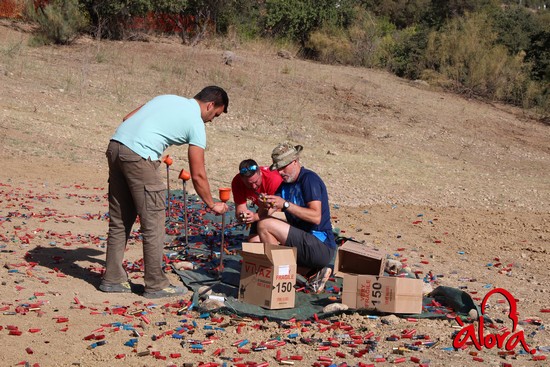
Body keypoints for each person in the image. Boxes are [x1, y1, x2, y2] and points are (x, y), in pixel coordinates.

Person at [101, 86, 229, 299]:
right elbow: (198, 174)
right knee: (153, 223)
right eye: (214, 115)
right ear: (210, 105)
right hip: (139, 157)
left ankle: (112, 278)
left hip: (116, 147)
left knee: (120, 220)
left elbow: (127, 118)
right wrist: (211, 203)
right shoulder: (196, 123)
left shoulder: (166, 98)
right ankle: (156, 284)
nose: (211, 120)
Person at [257, 142, 336, 293]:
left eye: (283, 167)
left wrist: (285, 205)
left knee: (265, 226)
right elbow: (265, 215)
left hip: (320, 244)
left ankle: (282, 277)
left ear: (295, 162)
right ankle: (311, 273)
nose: (280, 173)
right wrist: (263, 204)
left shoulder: (309, 180)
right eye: (278, 169)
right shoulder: (284, 186)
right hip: (306, 243)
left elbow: (315, 217)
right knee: (256, 238)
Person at [231, 159, 283, 242]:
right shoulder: (237, 182)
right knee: (253, 242)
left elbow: (277, 209)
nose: (254, 186)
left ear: (260, 173)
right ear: (242, 179)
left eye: (256, 182)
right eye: (249, 183)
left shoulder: (273, 179)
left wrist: (256, 217)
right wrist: (244, 216)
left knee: (268, 238)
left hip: (283, 209)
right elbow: (240, 208)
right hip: (263, 210)